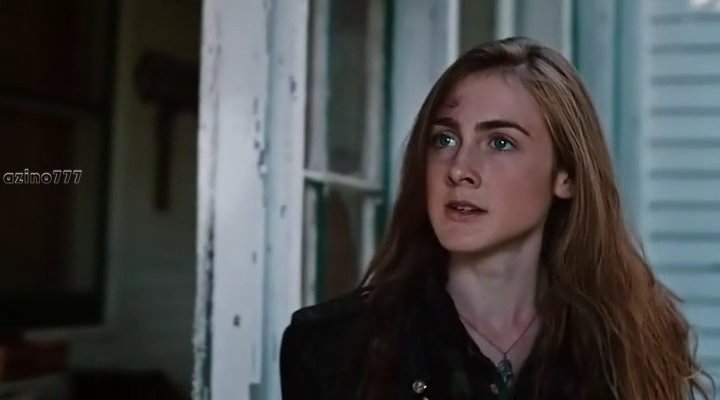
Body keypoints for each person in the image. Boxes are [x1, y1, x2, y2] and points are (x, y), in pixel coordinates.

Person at [279, 37, 716, 399]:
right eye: (445, 139)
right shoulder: (335, 347)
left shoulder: (631, 343)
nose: (459, 169)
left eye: (500, 143)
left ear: (565, 176)